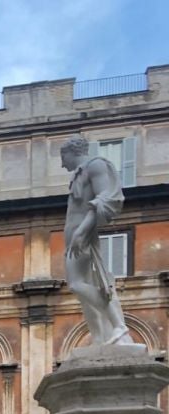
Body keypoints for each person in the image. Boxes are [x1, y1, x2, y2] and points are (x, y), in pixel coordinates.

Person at [61, 135, 133, 346]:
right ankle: (101, 337)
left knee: (77, 284)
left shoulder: (96, 166)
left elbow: (104, 199)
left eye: (62, 156)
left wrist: (82, 231)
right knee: (84, 291)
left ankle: (118, 324)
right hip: (74, 235)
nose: (61, 162)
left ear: (72, 152)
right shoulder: (80, 174)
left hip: (82, 234)